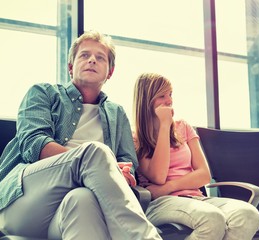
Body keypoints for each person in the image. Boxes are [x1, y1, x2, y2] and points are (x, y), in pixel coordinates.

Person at [0, 30, 161, 240]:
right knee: (95, 152)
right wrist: (99, 161)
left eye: (100, 57)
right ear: (70, 67)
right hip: (24, 202)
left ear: (110, 72)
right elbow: (34, 144)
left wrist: (125, 170)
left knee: (83, 199)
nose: (92, 60)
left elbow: (128, 160)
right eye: (84, 55)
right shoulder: (43, 93)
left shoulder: (117, 113)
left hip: (64, 215)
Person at [132, 72, 259, 240]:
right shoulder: (135, 137)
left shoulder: (183, 127)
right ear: (146, 101)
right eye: (161, 96)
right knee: (212, 219)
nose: (169, 101)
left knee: (247, 214)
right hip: (160, 204)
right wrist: (164, 125)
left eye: (170, 94)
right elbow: (158, 176)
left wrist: (168, 187)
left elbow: (204, 175)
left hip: (195, 198)